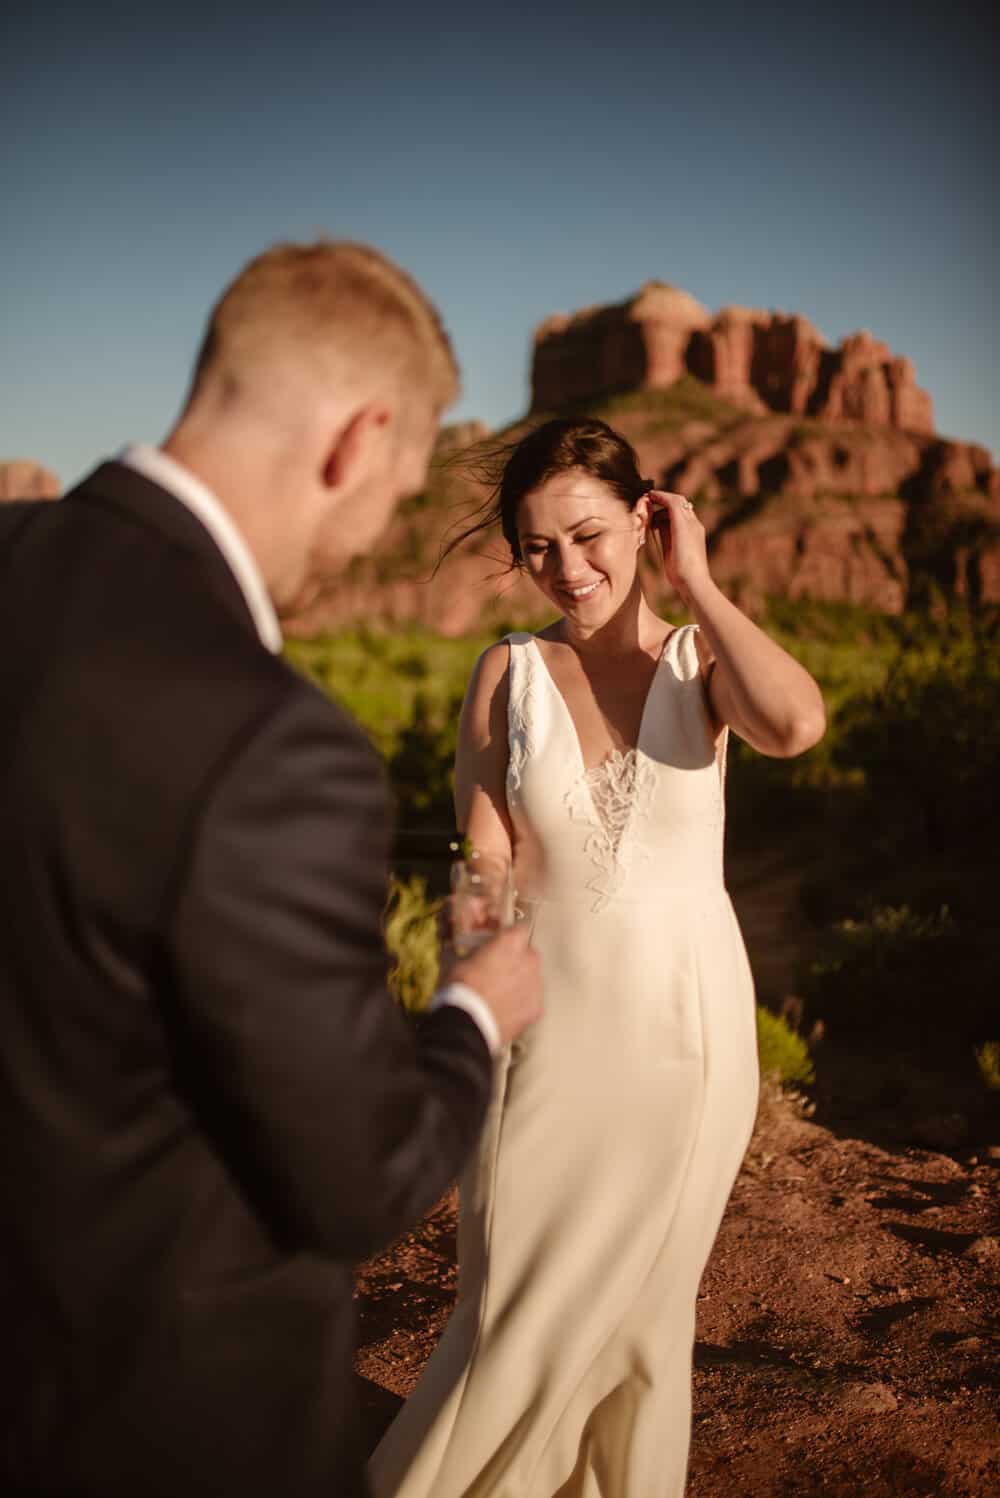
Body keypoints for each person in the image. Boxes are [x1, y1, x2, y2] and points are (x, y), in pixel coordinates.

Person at [0, 241, 542, 1498]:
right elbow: (358, 1172)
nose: (361, 545)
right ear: (358, 442)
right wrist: (471, 1010)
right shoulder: (274, 744)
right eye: (392, 490)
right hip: (160, 1420)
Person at [368, 417, 826, 1497]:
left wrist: (699, 581)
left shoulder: (699, 660)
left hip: (685, 1029)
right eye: (536, 548)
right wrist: (469, 1028)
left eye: (587, 534)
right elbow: (482, 864)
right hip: (547, 1025)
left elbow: (797, 724)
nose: (565, 569)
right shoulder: (507, 671)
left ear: (645, 514)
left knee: (643, 1314)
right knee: (513, 1290)